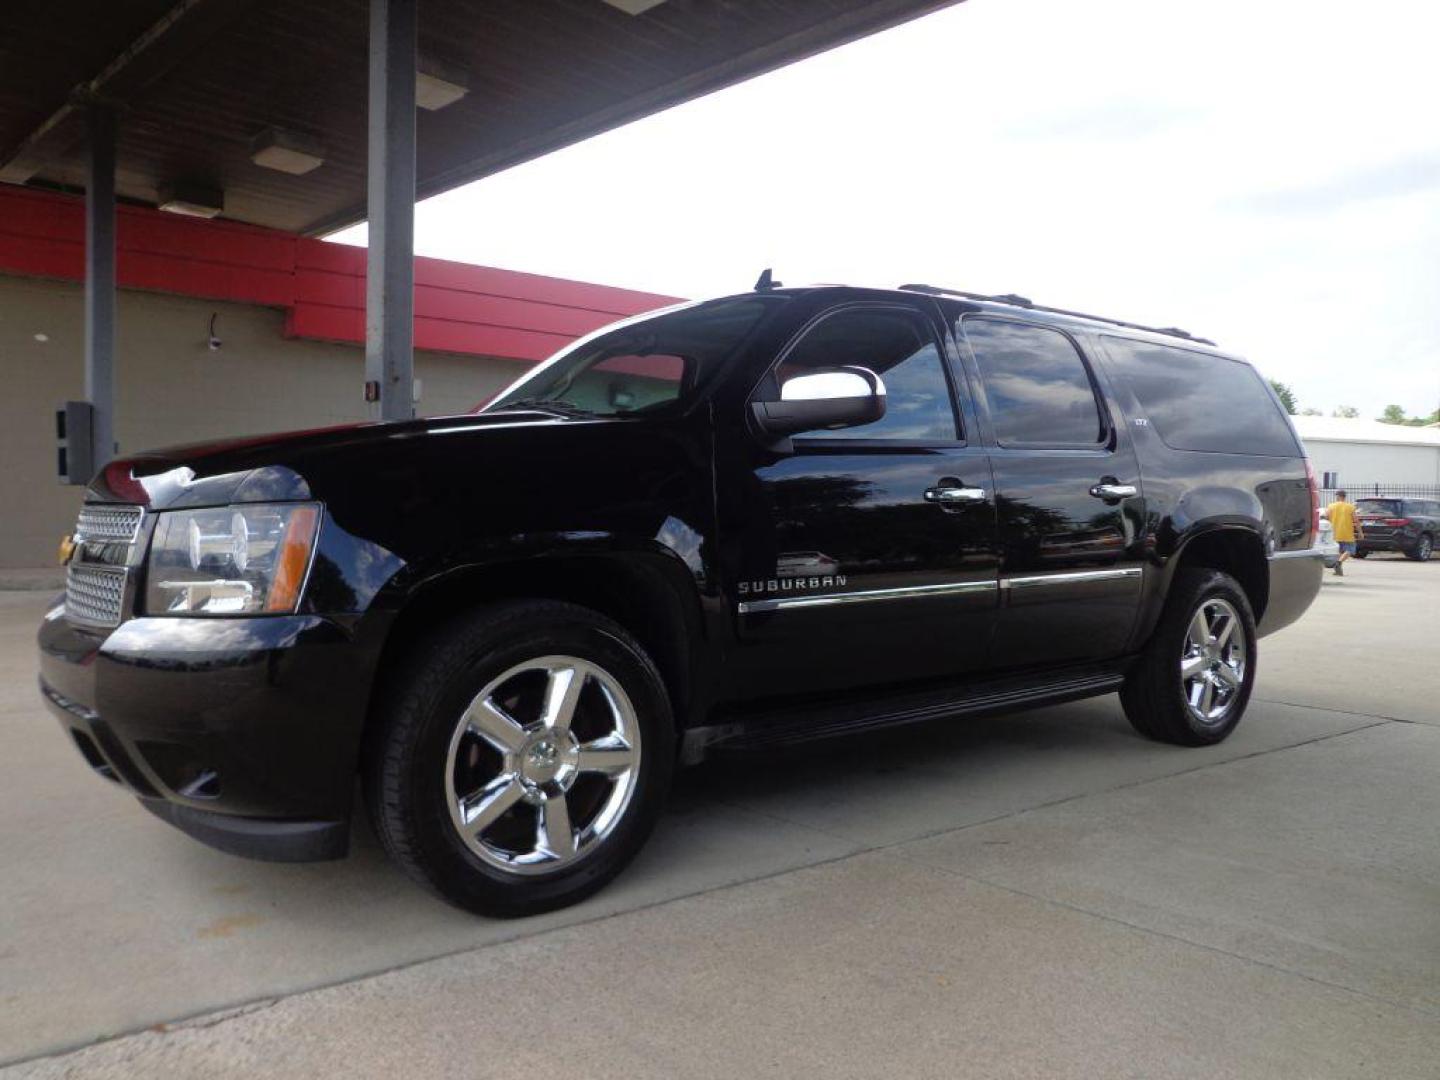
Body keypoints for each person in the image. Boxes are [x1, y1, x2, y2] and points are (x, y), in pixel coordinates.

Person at [1323, 489, 1363, 576]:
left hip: (1334, 533)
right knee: (1350, 550)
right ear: (1344, 496)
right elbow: (1356, 521)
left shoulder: (1331, 506)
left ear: (1338, 496)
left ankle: (1338, 567)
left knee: (1340, 551)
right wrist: (1360, 533)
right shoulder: (1350, 507)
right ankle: (1339, 563)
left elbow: (1325, 518)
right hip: (1347, 533)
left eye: (1336, 495)